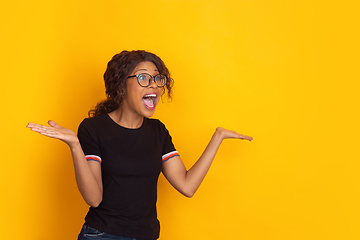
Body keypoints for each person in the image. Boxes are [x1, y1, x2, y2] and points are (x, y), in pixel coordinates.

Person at [26, 50, 253, 240]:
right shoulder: (93, 129)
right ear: (121, 87)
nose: (153, 85)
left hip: (147, 235)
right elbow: (94, 198)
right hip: (103, 235)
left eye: (157, 78)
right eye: (143, 78)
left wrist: (217, 138)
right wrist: (75, 145)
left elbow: (187, 186)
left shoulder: (158, 131)